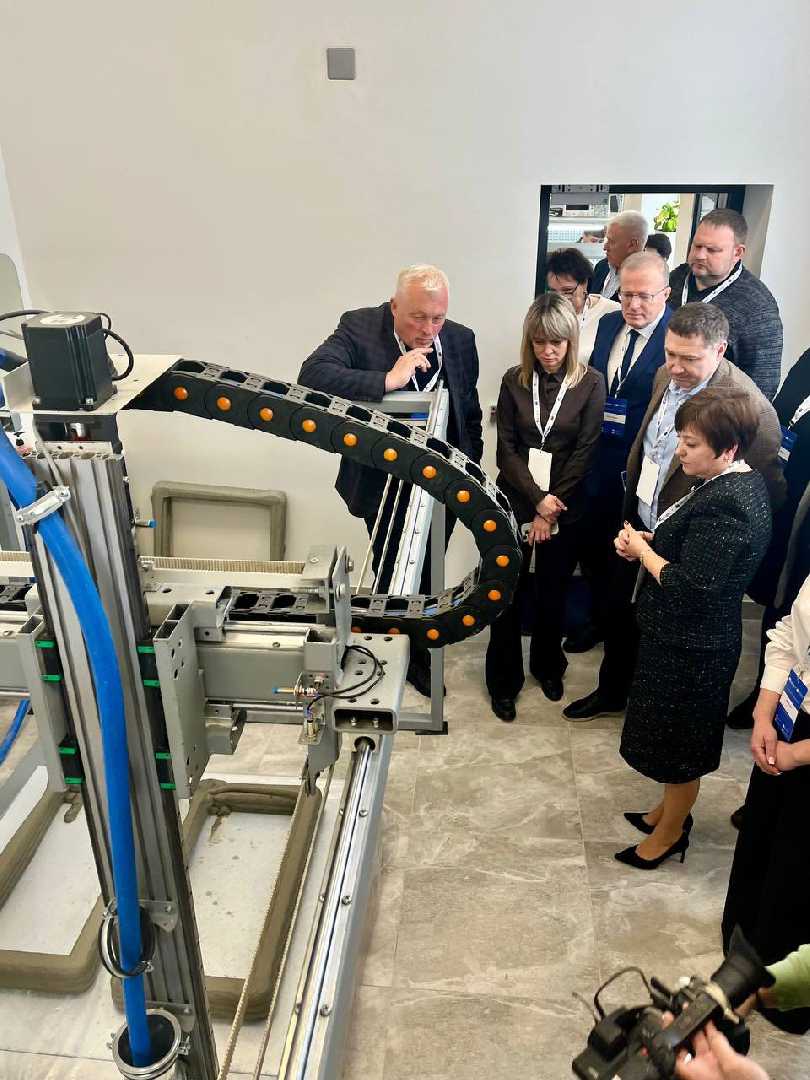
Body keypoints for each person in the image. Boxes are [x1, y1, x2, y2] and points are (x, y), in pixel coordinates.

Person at [564, 304, 786, 722]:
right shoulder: (665, 374)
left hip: (691, 540)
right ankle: (612, 691)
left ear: (719, 350)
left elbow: (759, 492)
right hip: (641, 518)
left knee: (664, 635)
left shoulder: (749, 408)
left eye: (689, 358)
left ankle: (650, 708)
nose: (676, 367)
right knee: (619, 612)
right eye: (670, 354)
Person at [298, 264, 483, 696]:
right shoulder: (359, 327)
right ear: (395, 306)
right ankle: (395, 648)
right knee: (391, 567)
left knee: (430, 569)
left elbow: (469, 410)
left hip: (442, 483)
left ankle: (418, 651)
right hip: (380, 483)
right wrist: (387, 380)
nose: (428, 329)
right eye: (418, 317)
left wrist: (468, 468)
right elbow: (313, 375)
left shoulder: (460, 338)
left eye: (437, 318)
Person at [610, 388, 770, 870]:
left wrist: (644, 553)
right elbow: (697, 550)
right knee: (666, 738)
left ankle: (671, 834)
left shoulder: (730, 503)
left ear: (729, 448)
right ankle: (666, 813)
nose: (680, 450)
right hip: (680, 638)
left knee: (679, 747)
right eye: (681, 438)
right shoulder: (725, 482)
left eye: (692, 443)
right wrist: (652, 541)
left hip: (694, 646)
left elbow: (693, 585)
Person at [485, 294, 604, 719]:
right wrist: (536, 501)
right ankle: (503, 681)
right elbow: (506, 450)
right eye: (539, 342)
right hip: (517, 498)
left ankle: (548, 666)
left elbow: (585, 452)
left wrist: (549, 509)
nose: (548, 351)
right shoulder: (513, 380)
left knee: (553, 588)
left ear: (571, 341)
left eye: (556, 342)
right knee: (506, 590)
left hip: (566, 503)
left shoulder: (591, 383)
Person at [565, 251, 671, 654]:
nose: (634, 305)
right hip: (599, 457)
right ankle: (597, 619)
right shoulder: (609, 323)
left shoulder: (675, 337)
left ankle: (624, 632)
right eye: (627, 294)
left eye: (644, 296)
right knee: (594, 545)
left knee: (631, 553)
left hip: (645, 468)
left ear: (665, 294)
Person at [722, 572, 810, 1035]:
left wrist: (798, 754)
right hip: (790, 718)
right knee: (762, 841)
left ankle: (783, 992)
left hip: (803, 748)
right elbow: (791, 632)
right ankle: (746, 951)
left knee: (799, 871)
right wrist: (764, 712)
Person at [727, 347, 810, 732]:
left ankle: (783, 705)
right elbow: (777, 416)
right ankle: (766, 691)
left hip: (806, 521)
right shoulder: (807, 360)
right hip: (779, 499)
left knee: (794, 602)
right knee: (776, 600)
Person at [668, 209, 782, 399]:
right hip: (663, 397)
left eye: (712, 250)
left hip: (712, 409)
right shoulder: (676, 279)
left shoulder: (757, 306)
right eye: (697, 246)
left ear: (737, 252)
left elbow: (763, 386)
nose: (700, 255)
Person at [545, 247, 620, 363]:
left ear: (584, 283)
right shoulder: (544, 313)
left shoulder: (612, 311)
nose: (560, 298)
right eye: (553, 292)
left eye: (567, 291)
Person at [590, 210, 649, 300]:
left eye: (611, 241)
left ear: (632, 245)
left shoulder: (648, 280)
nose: (605, 247)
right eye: (606, 240)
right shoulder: (601, 267)